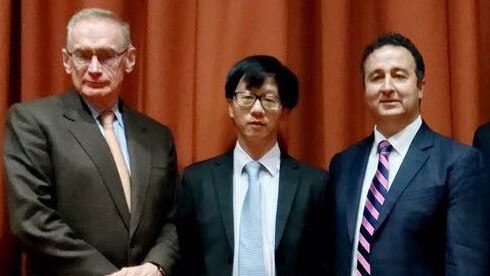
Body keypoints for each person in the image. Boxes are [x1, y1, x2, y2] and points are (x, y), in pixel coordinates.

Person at [4, 8, 178, 276]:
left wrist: (157, 265)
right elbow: (33, 219)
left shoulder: (157, 136)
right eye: (83, 56)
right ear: (66, 60)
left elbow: (173, 218)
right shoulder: (32, 122)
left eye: (107, 56)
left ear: (129, 59)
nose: (94, 69)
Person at [328, 32, 490, 275]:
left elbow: (466, 263)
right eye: (376, 77)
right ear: (365, 90)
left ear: (420, 87)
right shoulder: (343, 164)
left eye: (398, 76)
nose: (387, 87)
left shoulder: (458, 162)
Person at [176, 55, 329, 276]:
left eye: (269, 100)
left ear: (284, 111)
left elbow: (323, 262)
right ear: (230, 106)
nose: (257, 110)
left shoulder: (314, 184)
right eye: (247, 97)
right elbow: (187, 259)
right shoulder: (197, 180)